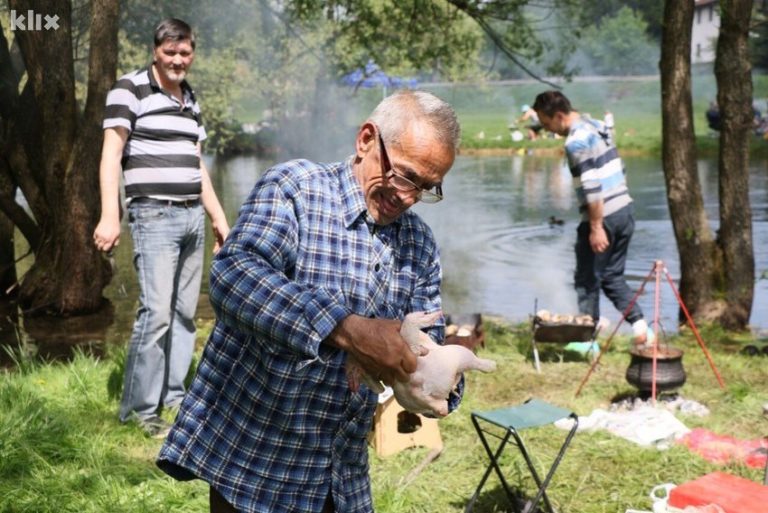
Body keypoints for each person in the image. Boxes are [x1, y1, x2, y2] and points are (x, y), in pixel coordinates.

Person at [156, 90, 463, 513]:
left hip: (341, 476)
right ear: (366, 140)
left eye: (428, 187)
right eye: (406, 176)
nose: (409, 197)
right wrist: (349, 329)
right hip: (255, 465)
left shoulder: (419, 244)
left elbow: (426, 345)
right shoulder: (296, 188)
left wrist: (434, 374)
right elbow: (233, 277)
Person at [93, 18, 229, 438]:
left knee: (185, 313)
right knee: (155, 315)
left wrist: (219, 219)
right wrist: (110, 214)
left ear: (192, 53)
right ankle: (138, 409)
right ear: (156, 50)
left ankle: (173, 397)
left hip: (192, 217)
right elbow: (111, 155)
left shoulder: (190, 98)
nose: (177, 59)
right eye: (170, 52)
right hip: (153, 215)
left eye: (185, 52)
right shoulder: (129, 89)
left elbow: (196, 163)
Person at [532, 90, 649, 344]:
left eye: (546, 122)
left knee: (586, 280)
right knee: (612, 276)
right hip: (625, 210)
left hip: (602, 216)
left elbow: (592, 187)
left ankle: (587, 341)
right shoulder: (596, 125)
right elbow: (619, 167)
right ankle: (642, 329)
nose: (546, 129)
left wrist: (596, 227)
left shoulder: (576, 142)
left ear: (559, 116)